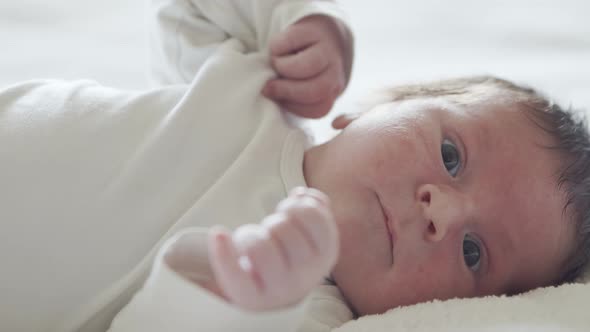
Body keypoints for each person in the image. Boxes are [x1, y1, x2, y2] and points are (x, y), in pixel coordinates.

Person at [0, 1, 588, 332]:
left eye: (473, 253)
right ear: (368, 110)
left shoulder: (300, 310)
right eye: (452, 155)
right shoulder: (263, 91)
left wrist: (237, 301)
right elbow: (188, 16)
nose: (443, 211)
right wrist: (303, 22)